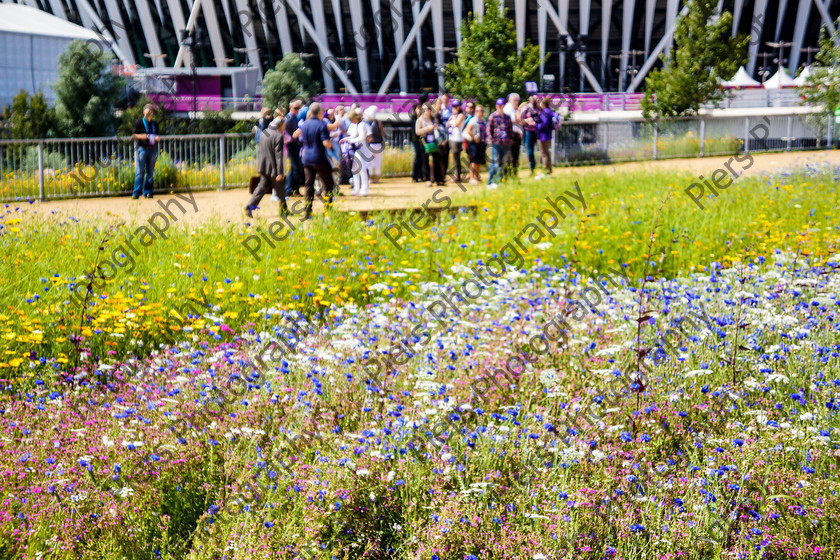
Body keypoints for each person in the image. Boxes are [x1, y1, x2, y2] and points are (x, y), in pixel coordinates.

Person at [293, 102, 334, 219]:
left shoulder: (304, 125)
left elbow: (296, 135)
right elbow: (326, 143)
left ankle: (308, 211)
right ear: (320, 113)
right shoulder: (321, 125)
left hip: (307, 159)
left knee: (308, 185)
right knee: (328, 184)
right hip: (319, 158)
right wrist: (332, 146)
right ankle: (328, 210)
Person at [245, 116, 286, 218]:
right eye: (284, 126)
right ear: (280, 125)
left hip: (263, 166)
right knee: (280, 189)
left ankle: (250, 206)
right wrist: (280, 172)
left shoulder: (264, 133)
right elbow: (278, 155)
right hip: (273, 168)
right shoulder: (278, 136)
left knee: (261, 188)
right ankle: (284, 211)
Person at [131, 104, 160, 199]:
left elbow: (157, 135)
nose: (149, 114)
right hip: (142, 149)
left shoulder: (154, 124)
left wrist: (157, 138)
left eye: (151, 112)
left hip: (152, 149)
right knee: (140, 171)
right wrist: (141, 136)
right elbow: (133, 136)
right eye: (148, 112)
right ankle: (136, 193)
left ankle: (147, 192)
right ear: (144, 112)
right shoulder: (139, 123)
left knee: (150, 172)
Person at [341, 108, 372, 196]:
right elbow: (353, 135)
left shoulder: (362, 125)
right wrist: (345, 139)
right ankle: (356, 188)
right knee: (354, 169)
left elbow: (362, 137)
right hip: (356, 150)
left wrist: (351, 141)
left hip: (362, 150)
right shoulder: (355, 125)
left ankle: (364, 189)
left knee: (362, 169)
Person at [415, 103, 443, 187]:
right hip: (424, 142)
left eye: (428, 109)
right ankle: (427, 179)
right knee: (425, 161)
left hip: (433, 141)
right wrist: (428, 129)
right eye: (424, 109)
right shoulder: (419, 120)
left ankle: (438, 179)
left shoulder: (433, 119)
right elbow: (417, 132)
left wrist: (436, 128)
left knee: (436, 160)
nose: (426, 110)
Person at [487, 98, 512, 187]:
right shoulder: (493, 116)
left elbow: (509, 129)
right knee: (495, 163)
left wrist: (510, 139)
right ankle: (490, 182)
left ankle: (499, 180)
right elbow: (489, 129)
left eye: (502, 105)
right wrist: (491, 140)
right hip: (496, 143)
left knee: (502, 163)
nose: (500, 107)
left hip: (505, 143)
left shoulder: (507, 117)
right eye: (498, 105)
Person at [284, 99, 304, 197]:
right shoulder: (288, 118)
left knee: (294, 168)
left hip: (295, 145)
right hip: (291, 146)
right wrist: (293, 139)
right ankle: (292, 189)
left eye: (298, 108)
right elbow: (285, 133)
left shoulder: (294, 117)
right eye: (296, 108)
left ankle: (291, 189)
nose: (297, 110)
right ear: (290, 108)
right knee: (296, 168)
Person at [463, 104, 486, 184]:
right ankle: (472, 177)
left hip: (481, 143)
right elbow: (468, 129)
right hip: (473, 143)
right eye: (478, 110)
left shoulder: (483, 120)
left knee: (479, 161)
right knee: (474, 161)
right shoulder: (473, 120)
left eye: (482, 110)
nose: (480, 112)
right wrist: (474, 137)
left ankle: (476, 177)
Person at [536, 97, 557, 176]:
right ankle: (549, 170)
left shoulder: (545, 112)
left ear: (543, 104)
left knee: (544, 153)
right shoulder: (549, 111)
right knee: (547, 152)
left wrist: (536, 125)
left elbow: (543, 124)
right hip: (547, 135)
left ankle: (546, 171)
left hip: (543, 135)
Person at [446, 99, 466, 182]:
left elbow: (456, 124)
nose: (454, 108)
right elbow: (447, 125)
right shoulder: (453, 116)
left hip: (457, 139)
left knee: (456, 158)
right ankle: (456, 174)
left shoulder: (460, 115)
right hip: (451, 138)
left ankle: (457, 175)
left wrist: (452, 119)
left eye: (456, 106)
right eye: (453, 106)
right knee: (454, 158)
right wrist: (451, 120)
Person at [520, 95, 540, 175]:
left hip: (537, 131)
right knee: (530, 151)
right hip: (528, 131)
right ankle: (532, 169)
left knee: (541, 150)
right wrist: (527, 120)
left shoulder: (539, 108)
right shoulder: (526, 108)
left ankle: (542, 168)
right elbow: (520, 120)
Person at [503, 93, 522, 175]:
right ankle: (507, 175)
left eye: (517, 101)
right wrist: (518, 110)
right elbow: (516, 119)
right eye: (515, 100)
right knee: (509, 156)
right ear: (509, 100)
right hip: (510, 135)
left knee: (515, 156)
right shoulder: (508, 108)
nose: (516, 102)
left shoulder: (513, 108)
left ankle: (514, 174)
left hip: (515, 135)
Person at [364, 105, 383, 183]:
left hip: (370, 145)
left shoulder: (366, 123)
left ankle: (370, 179)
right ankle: (377, 179)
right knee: (378, 162)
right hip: (378, 144)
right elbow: (382, 133)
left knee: (370, 162)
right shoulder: (378, 122)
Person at [410, 100, 426, 183]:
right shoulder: (413, 118)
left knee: (421, 158)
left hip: (421, 140)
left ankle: (421, 175)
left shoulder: (422, 118)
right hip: (415, 140)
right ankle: (415, 176)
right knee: (417, 157)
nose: (419, 110)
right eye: (418, 108)